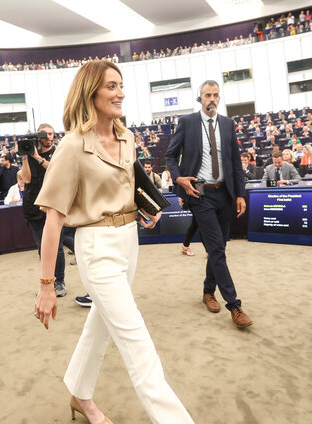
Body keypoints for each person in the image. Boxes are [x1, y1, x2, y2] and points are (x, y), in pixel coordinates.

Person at [34, 61, 195, 424]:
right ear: (90, 92)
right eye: (111, 86)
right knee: (136, 339)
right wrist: (46, 285)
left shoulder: (128, 138)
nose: (120, 92)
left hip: (129, 240)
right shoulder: (72, 146)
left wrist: (144, 208)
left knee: (101, 323)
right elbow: (53, 219)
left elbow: (127, 186)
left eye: (121, 85)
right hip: (95, 246)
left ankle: (79, 395)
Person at [165, 80, 252, 328]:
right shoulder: (187, 122)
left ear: (219, 97)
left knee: (218, 248)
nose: (211, 99)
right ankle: (234, 306)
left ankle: (207, 291)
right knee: (216, 248)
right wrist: (178, 177)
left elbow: (235, 161)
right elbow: (170, 155)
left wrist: (240, 194)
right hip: (200, 194)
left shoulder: (228, 124)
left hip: (225, 194)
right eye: (207, 95)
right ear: (199, 98)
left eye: (215, 95)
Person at [19, 123, 68, 297]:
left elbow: (58, 171)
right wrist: (25, 156)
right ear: (38, 137)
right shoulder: (30, 154)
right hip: (33, 205)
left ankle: (60, 281)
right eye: (45, 134)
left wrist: (37, 157)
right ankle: (48, 281)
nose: (49, 137)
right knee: (42, 247)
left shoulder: (59, 151)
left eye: (51, 134)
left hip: (54, 204)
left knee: (58, 247)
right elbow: (26, 179)